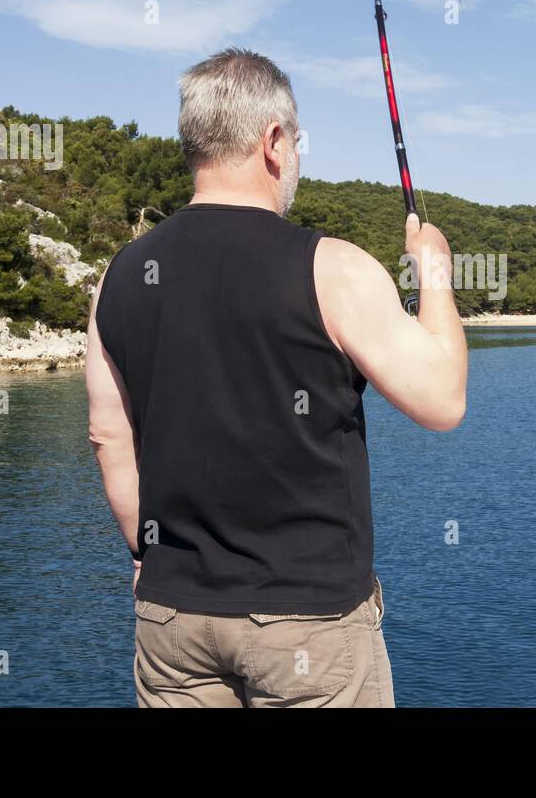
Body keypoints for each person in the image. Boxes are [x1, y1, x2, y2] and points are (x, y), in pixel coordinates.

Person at [85, 48, 467, 707]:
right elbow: (442, 400)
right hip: (309, 627)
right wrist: (432, 271)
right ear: (272, 142)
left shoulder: (119, 277)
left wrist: (148, 552)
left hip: (172, 622)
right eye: (294, 142)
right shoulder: (334, 268)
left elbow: (107, 437)